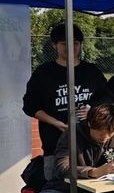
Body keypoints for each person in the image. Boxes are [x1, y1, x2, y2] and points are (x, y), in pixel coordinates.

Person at [23, 23, 109, 181]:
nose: (70, 47)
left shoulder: (91, 71)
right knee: (56, 190)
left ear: (80, 44)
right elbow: (30, 105)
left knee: (93, 190)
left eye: (75, 43)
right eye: (64, 43)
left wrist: (92, 111)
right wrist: (56, 123)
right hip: (54, 146)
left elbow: (107, 99)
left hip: (90, 148)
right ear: (54, 45)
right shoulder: (43, 73)